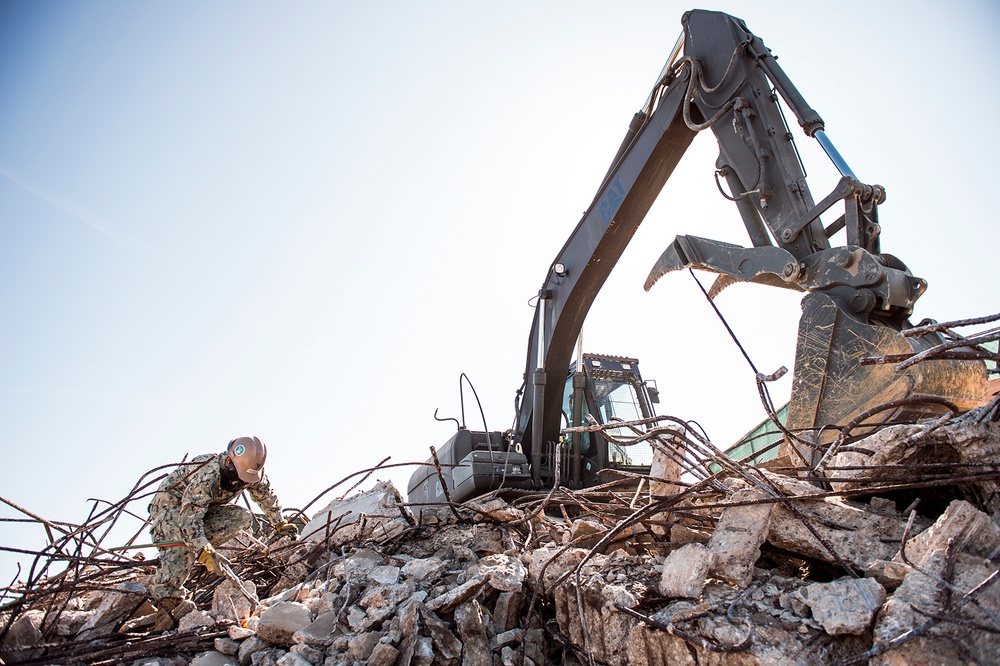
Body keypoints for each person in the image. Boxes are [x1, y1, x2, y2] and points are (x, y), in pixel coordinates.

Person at [146, 436, 297, 630]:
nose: (240, 483)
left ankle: (195, 547)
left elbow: (266, 495)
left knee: (240, 517)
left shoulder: (251, 470)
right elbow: (189, 517)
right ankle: (168, 605)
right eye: (238, 477)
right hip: (171, 506)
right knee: (181, 544)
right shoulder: (207, 474)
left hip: (204, 508)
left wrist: (279, 523)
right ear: (228, 461)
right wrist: (203, 549)